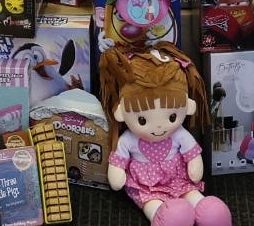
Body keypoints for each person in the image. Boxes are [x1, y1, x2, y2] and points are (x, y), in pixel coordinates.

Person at [98, 43, 232, 226]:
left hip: (178, 180)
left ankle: (205, 208)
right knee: (154, 205)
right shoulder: (128, 140)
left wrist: (194, 171)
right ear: (121, 112)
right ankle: (161, 216)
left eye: (171, 116)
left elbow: (191, 154)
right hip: (147, 187)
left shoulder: (179, 134)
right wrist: (117, 177)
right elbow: (118, 165)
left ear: (187, 106)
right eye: (143, 120)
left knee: (194, 196)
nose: (159, 127)